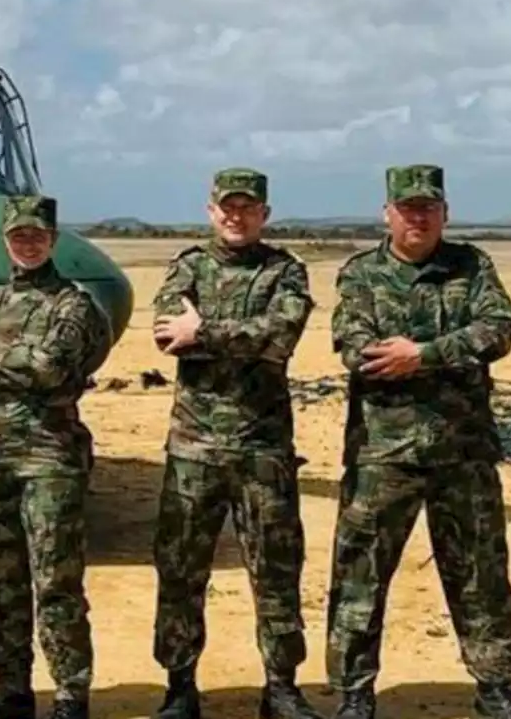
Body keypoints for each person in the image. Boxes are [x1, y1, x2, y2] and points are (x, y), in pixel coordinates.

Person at [325, 164, 511, 719]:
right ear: (387, 212)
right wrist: (450, 351)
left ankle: (496, 690)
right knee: (359, 579)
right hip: (382, 455)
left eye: (429, 208)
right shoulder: (360, 275)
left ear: (445, 212)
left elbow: (500, 328)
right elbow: (358, 351)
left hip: (462, 453)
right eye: (407, 207)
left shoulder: (472, 265)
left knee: (480, 576)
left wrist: (423, 354)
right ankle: (354, 694)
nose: (418, 217)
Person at [149, 168, 322, 719]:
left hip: (263, 448)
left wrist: (205, 332)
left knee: (276, 571)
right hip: (193, 449)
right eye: (227, 206)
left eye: (247, 207)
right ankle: (180, 687)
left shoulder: (285, 271)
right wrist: (230, 335)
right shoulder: (188, 267)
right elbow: (166, 335)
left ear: (264, 214)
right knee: (181, 572)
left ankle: (281, 687)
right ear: (210, 210)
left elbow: (282, 337)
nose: (236, 215)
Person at [0, 195, 110, 719]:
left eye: (37, 235)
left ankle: (69, 694)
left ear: (52, 239)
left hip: (50, 458)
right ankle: (10, 688)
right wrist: (8, 364)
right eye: (19, 235)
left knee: (57, 580)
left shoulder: (73, 304)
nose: (28, 243)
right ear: (5, 240)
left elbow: (54, 368)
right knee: (0, 580)